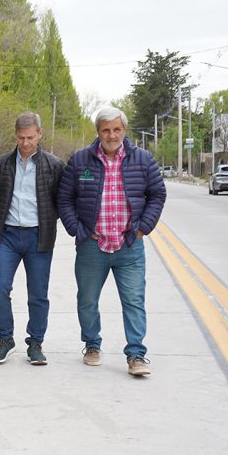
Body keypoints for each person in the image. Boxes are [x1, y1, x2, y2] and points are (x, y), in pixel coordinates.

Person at [57, 106, 166, 377]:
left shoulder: (142, 160)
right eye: (106, 130)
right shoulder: (80, 160)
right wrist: (78, 230)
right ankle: (92, 346)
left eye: (116, 129)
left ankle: (136, 355)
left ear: (124, 130)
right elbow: (64, 198)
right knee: (87, 300)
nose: (112, 135)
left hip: (129, 245)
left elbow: (157, 194)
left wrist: (143, 229)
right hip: (92, 246)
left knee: (133, 301)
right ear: (98, 132)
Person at [0, 113, 66, 366]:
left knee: (38, 294)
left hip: (38, 237)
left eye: (31, 137)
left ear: (40, 134)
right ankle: (5, 339)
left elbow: (60, 200)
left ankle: (35, 343)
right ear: (15, 135)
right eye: (21, 138)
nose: (26, 143)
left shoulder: (53, 165)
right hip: (7, 236)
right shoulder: (2, 164)